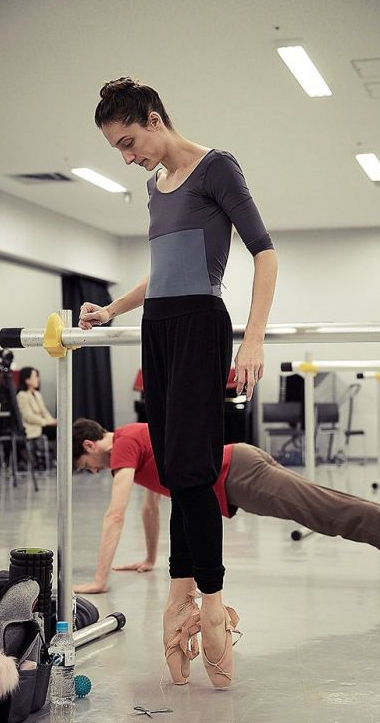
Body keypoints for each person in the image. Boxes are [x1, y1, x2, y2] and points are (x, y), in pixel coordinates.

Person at [78, 77, 278, 687]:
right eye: (118, 148)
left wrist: (252, 337)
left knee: (192, 470)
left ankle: (208, 606)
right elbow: (161, 273)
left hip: (200, 324)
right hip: (159, 327)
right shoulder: (152, 187)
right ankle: (181, 599)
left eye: (129, 140)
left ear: (155, 118)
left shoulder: (218, 168)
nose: (128, 156)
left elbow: (265, 254)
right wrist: (113, 309)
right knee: (171, 466)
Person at [72, 418, 380, 603]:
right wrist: (149, 558)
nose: (89, 472)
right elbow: (150, 508)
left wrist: (100, 579)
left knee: (333, 512)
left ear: (89, 445)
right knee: (331, 508)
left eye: (82, 465)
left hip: (239, 475)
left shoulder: (122, 445)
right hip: (240, 468)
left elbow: (116, 513)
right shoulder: (133, 441)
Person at [16, 367, 57, 441]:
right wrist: (46, 422)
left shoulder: (37, 394)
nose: (38, 379)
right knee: (57, 431)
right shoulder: (22, 395)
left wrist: (52, 421)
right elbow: (28, 416)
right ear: (27, 380)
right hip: (33, 427)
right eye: (35, 377)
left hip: (43, 424)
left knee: (65, 429)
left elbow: (44, 411)